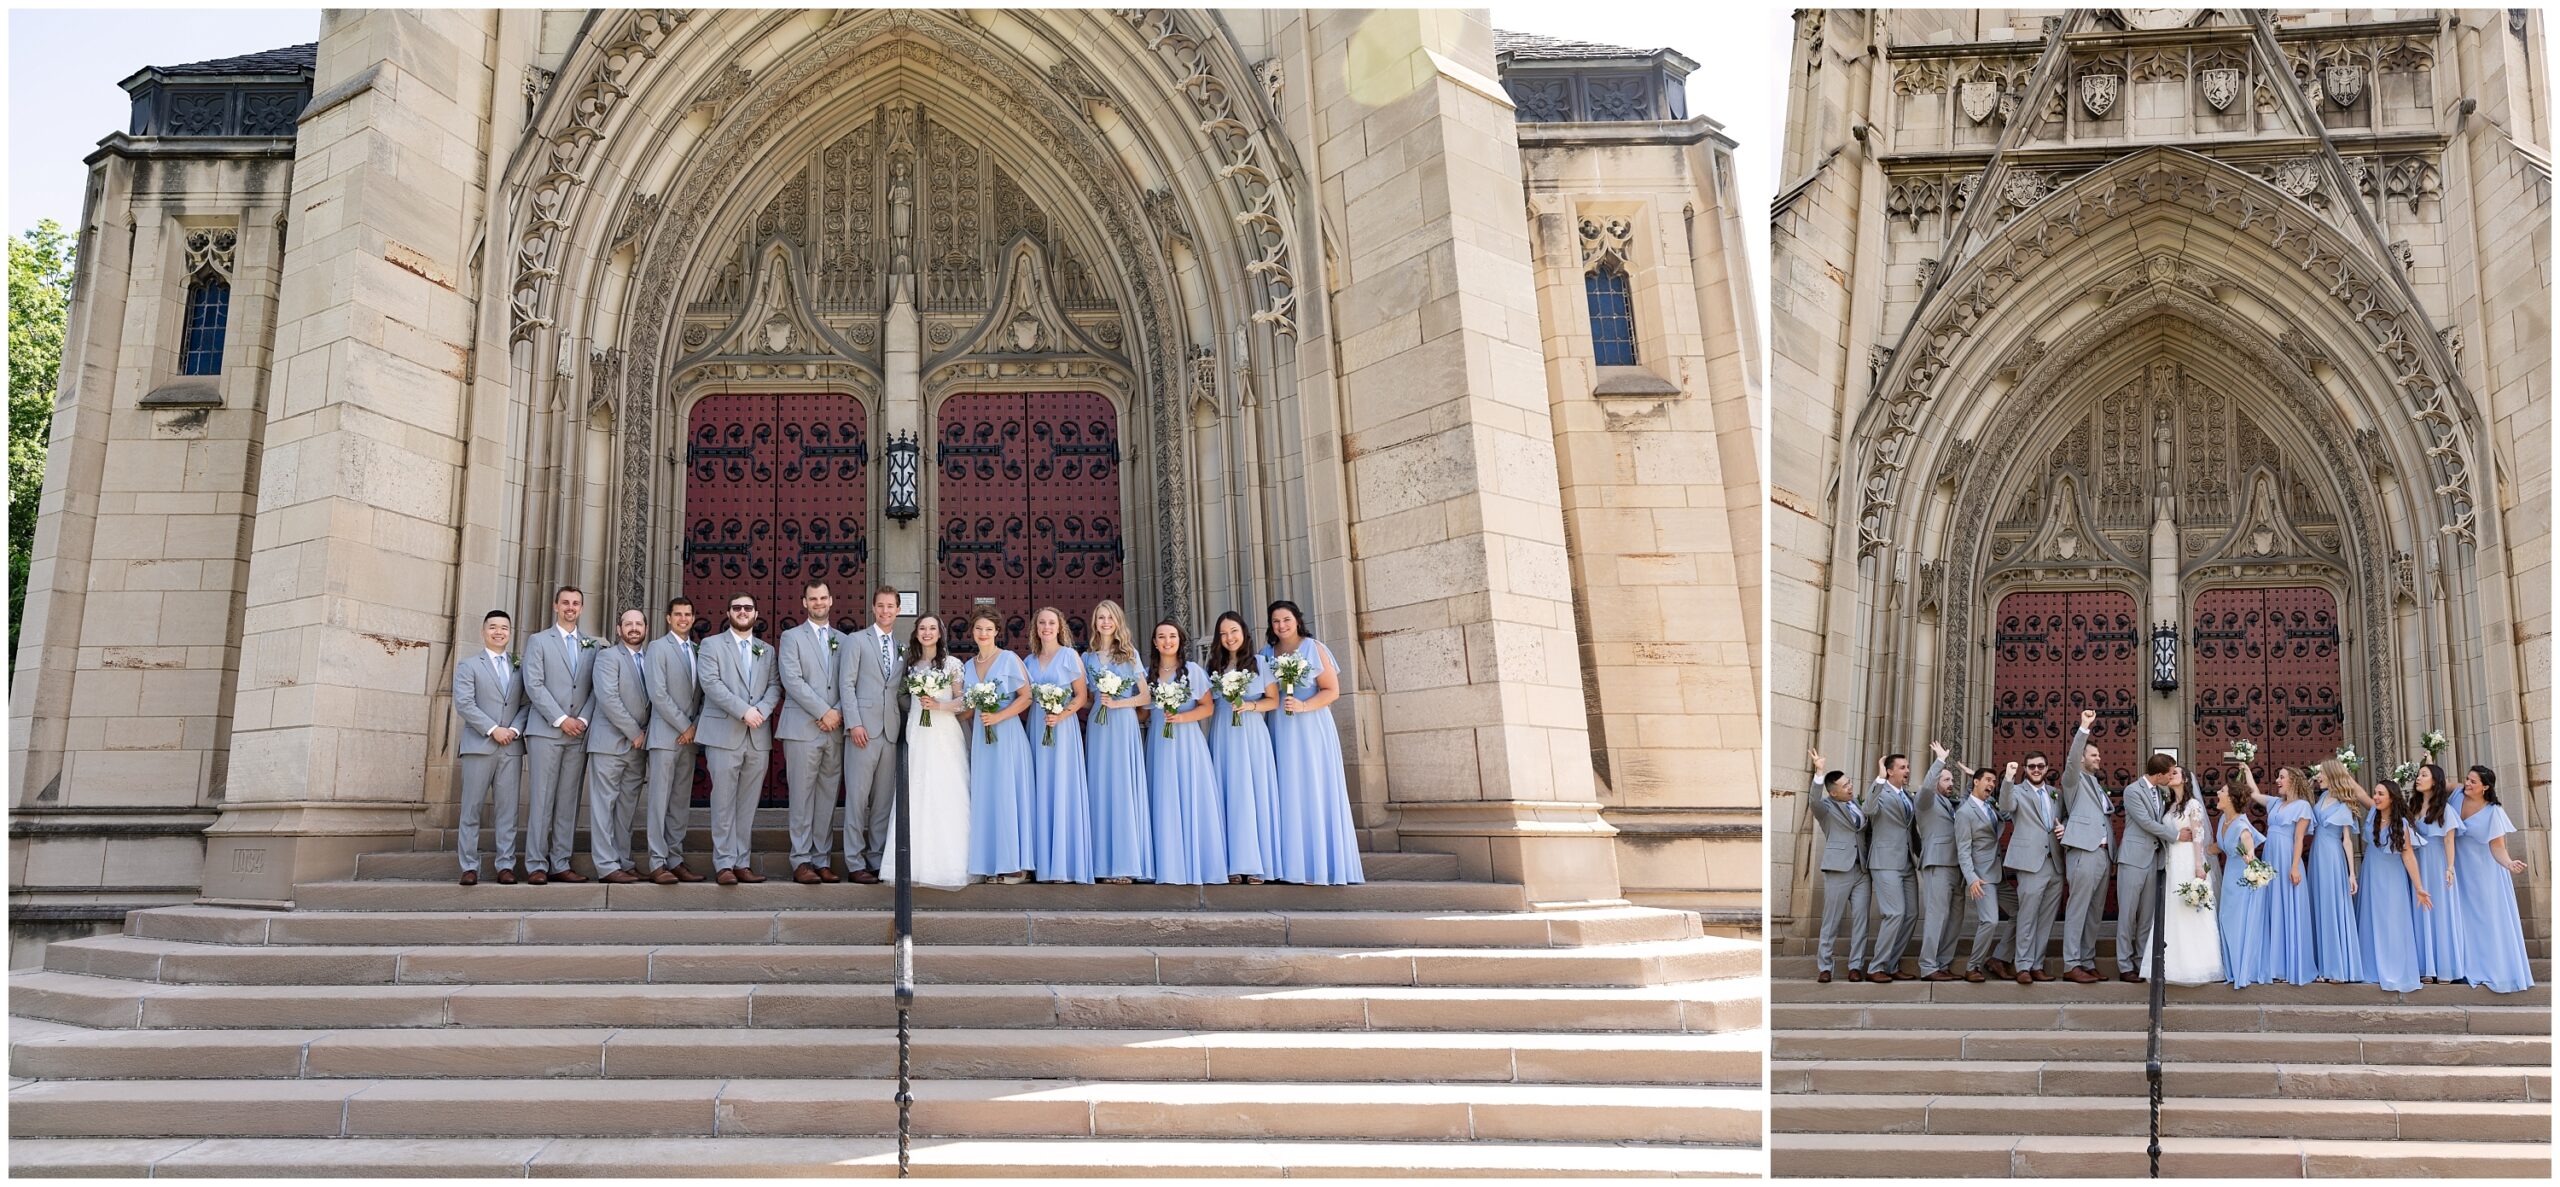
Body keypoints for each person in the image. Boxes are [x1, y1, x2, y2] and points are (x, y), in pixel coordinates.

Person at [1262, 600, 1363, 885]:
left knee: (1313, 788)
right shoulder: (1267, 653)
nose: (1281, 626)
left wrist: (1305, 707)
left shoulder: (1313, 648)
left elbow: (1332, 690)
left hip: (1311, 728)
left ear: (1297, 620)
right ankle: (1290, 865)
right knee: (1287, 789)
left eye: (1286, 620)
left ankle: (1319, 864)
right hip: (1280, 727)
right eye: (1276, 621)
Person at [695, 593, 780, 885]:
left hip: (757, 736)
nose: (742, 612)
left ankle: (742, 861)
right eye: (737, 608)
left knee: (747, 803)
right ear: (728, 612)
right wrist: (744, 711)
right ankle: (723, 863)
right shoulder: (711, 645)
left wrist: (761, 712)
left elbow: (774, 686)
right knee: (723, 800)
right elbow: (711, 684)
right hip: (724, 733)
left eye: (748, 608)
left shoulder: (766, 650)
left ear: (756, 614)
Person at [884, 615, 970, 891]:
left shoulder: (952, 664)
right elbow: (901, 696)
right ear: (916, 633)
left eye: (932, 628)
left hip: (944, 732)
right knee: (917, 792)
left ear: (941, 633)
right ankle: (916, 863)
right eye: (923, 628)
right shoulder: (910, 665)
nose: (927, 632)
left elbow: (962, 701)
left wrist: (938, 705)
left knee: (946, 790)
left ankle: (950, 863)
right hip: (918, 733)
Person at [522, 585, 598, 885]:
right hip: (546, 731)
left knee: (568, 801)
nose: (570, 607)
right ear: (556, 606)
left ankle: (560, 862)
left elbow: (596, 688)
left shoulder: (592, 645)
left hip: (578, 732)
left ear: (581, 608)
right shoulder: (539, 641)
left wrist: (581, 719)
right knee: (542, 798)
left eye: (576, 603)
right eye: (565, 602)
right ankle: (536, 864)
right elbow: (534, 684)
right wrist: (559, 719)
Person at [1145, 619, 1227, 885]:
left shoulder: (1192, 671)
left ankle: (1197, 862)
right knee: (1164, 797)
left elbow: (1207, 707)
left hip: (1188, 742)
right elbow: (1144, 712)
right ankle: (1168, 864)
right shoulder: (1149, 675)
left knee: (1189, 795)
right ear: (1155, 643)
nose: (1167, 641)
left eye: (1172, 636)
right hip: (1159, 742)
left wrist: (1182, 718)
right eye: (1161, 637)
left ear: (1180, 640)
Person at [450, 610, 530, 885]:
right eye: (493, 627)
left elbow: (526, 704)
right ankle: (469, 866)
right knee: (471, 808)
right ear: (484, 631)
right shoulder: (469, 665)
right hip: (479, 746)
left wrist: (515, 730)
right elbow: (464, 703)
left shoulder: (520, 666)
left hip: (511, 747)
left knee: (507, 811)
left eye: (504, 628)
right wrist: (494, 729)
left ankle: (505, 865)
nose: (499, 632)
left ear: (510, 632)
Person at [777, 581, 847, 884]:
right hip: (803, 728)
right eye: (812, 598)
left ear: (831, 600)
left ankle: (822, 859)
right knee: (803, 797)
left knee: (827, 797)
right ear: (804, 603)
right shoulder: (791, 637)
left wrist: (839, 712)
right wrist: (824, 712)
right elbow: (792, 680)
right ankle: (801, 859)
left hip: (834, 729)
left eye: (823, 597)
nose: (818, 603)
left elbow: (851, 681)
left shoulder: (844, 640)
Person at [1204, 611, 1280, 885]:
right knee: (1229, 793)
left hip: (1251, 734)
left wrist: (1249, 706)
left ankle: (1257, 864)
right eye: (1223, 634)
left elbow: (1273, 701)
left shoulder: (1260, 662)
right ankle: (1232, 863)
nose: (1229, 638)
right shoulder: (1214, 664)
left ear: (1243, 632)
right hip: (1224, 733)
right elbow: (1208, 704)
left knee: (1253, 792)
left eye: (1233, 631)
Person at [961, 610, 1037, 884]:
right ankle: (993, 862)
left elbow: (1027, 697)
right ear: (972, 632)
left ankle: (1016, 864)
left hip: (1007, 736)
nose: (983, 634)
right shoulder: (968, 666)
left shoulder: (1008, 659)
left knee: (1007, 795)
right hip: (983, 739)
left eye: (989, 629)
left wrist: (999, 716)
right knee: (987, 796)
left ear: (997, 632)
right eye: (979, 629)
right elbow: (968, 709)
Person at [1023, 606, 1095, 884]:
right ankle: (1041, 863)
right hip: (1038, 729)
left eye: (1051, 622)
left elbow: (1081, 696)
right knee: (1040, 788)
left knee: (1062, 788)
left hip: (1062, 730)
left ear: (1060, 626)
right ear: (1036, 628)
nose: (1046, 627)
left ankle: (1064, 864)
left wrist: (1061, 715)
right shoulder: (1029, 661)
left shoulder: (1069, 656)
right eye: (1041, 623)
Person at [1083, 599, 1152, 884]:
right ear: (1095, 623)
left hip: (1123, 725)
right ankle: (1102, 864)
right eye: (1101, 618)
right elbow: (1087, 697)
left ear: (1118, 621)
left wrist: (1121, 704)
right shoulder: (1087, 658)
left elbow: (1146, 697)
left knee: (1122, 787)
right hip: (1099, 727)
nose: (1105, 622)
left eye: (1110, 617)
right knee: (1100, 788)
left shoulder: (1129, 654)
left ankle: (1125, 864)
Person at [839, 586, 906, 883]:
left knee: (882, 802)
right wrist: (854, 723)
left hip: (890, 732)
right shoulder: (856, 641)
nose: (886, 611)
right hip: (862, 731)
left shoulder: (902, 647)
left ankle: (876, 859)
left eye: (891, 606)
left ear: (898, 610)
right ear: (873, 608)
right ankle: (854, 862)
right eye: (881, 606)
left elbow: (901, 692)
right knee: (856, 798)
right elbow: (846, 684)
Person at [582, 608, 654, 884]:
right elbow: (608, 698)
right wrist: (635, 732)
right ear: (618, 629)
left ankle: (623, 860)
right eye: (628, 624)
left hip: (638, 747)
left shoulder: (650, 660)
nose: (634, 628)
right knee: (604, 806)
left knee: (626, 807)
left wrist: (645, 735)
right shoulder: (608, 657)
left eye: (639, 624)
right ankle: (606, 865)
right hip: (610, 743)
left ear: (646, 629)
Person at [2450, 765, 2533, 992]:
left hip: (2483, 873)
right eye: (2467, 779)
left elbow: (2497, 848)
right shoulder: (2456, 793)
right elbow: (2432, 784)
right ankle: (2463, 968)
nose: (2467, 784)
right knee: (2460, 918)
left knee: (2483, 920)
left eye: (2473, 782)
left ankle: (2488, 968)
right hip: (2457, 869)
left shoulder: (2493, 811)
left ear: (2485, 787)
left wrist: (2509, 864)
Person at [641, 598, 705, 883]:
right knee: (659, 800)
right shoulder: (657, 648)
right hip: (667, 736)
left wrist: (696, 727)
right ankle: (657, 861)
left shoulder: (697, 650)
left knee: (679, 802)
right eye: (678, 614)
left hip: (689, 740)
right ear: (668, 618)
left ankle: (675, 859)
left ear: (693, 618)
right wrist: (685, 726)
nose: (683, 619)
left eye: (688, 614)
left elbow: (703, 695)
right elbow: (658, 693)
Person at [2056, 709, 2114, 984]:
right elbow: (2070, 761)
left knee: (2094, 912)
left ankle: (2087, 961)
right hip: (2083, 852)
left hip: (2103, 853)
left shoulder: (2095, 783)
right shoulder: (2073, 780)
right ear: (2081, 758)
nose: (2098, 758)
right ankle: (2071, 963)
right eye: (2093, 755)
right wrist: (2084, 728)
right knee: (2078, 909)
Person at [2356, 777, 2429, 993]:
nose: (2376, 797)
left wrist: (2418, 887)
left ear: (2392, 798)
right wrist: (2340, 770)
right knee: (2370, 918)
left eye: (2381, 794)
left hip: (2392, 878)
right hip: (2371, 873)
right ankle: (2371, 969)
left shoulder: (2402, 824)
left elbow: (2408, 856)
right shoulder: (2372, 815)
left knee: (2392, 921)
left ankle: (2395, 970)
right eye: (2375, 793)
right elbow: (2359, 792)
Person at [1802, 751, 1870, 984]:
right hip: (1839, 869)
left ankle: (1855, 965)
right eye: (1845, 785)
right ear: (1833, 792)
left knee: (1861, 919)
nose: (1850, 787)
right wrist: (1819, 772)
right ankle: (1825, 966)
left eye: (1850, 782)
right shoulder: (1826, 808)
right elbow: (1813, 800)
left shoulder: (1858, 806)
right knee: (1831, 919)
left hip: (1861, 869)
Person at [2114, 754, 2182, 983]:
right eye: (2170, 773)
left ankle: (2142, 961)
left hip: (2154, 859)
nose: (2172, 776)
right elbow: (2145, 822)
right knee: (2128, 915)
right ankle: (2124, 966)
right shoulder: (2132, 791)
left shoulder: (2162, 792)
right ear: (2159, 774)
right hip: (2133, 859)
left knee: (2146, 917)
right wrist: (2177, 835)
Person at [2247, 764, 2317, 985]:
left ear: (2294, 781)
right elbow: (2254, 794)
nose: (2277, 780)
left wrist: (2295, 867)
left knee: (2288, 906)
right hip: (2270, 857)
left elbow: (2299, 839)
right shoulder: (2275, 803)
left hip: (2287, 858)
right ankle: (2273, 964)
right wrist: (2246, 769)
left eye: (2282, 777)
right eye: (2278, 777)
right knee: (2272, 905)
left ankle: (2289, 964)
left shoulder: (2303, 807)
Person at [2001, 753, 2065, 983]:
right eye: (2031, 766)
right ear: (2025, 769)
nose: (2036, 770)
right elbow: (2006, 805)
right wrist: (2008, 777)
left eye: (2040, 766)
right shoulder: (2017, 791)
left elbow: (2063, 818)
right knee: (2027, 917)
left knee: (2046, 918)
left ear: (2047, 768)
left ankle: (2037, 964)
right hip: (2029, 862)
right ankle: (2023, 966)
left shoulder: (2055, 794)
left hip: (2055, 862)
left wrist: (2064, 828)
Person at [2156, 771, 2222, 986]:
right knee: (2173, 908)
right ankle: (2172, 962)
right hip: (2172, 861)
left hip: (2188, 860)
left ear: (2185, 779)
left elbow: (2199, 835)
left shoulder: (2193, 804)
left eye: (2175, 773)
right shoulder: (2169, 805)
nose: (2171, 775)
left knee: (2190, 908)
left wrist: (2198, 866)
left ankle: (2199, 965)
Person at [2307, 760, 2370, 984]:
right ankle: (2322, 964)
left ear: (2332, 775)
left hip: (2333, 857)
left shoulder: (2344, 804)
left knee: (2332, 907)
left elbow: (2347, 841)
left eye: (2321, 773)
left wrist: (2351, 873)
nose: (2318, 777)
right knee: (2320, 906)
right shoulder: (2322, 798)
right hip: (2317, 854)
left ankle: (2336, 968)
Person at [1912, 743, 1970, 982]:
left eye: (1951, 780)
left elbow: (1969, 806)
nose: (1950, 783)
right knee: (1937, 916)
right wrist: (1940, 762)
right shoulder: (1925, 802)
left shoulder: (1952, 804)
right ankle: (1928, 966)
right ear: (1936, 780)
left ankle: (1943, 963)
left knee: (1955, 918)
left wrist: (1972, 780)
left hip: (1958, 867)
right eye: (1946, 780)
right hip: (1937, 864)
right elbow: (1926, 787)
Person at [1861, 752, 1917, 982]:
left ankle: (1892, 964)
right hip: (1885, 862)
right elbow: (1868, 809)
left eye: (1908, 767)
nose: (1907, 771)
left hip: (1906, 862)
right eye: (1902, 767)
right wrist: (1879, 779)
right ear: (1890, 770)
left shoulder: (1908, 796)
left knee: (1911, 914)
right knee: (1894, 913)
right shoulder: (1880, 792)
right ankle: (1876, 966)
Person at [2409, 763, 2465, 983]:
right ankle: (2426, 967)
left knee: (2440, 913)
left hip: (2437, 863)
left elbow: (2449, 840)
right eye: (2418, 775)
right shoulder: (2413, 808)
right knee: (2420, 913)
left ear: (2435, 781)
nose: (2418, 778)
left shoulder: (2445, 809)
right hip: (2418, 863)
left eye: (2424, 775)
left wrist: (2450, 867)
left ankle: (2444, 968)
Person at [2214, 774, 2270, 989]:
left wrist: (2250, 858)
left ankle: (2241, 969)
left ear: (2231, 799)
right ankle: (2231, 966)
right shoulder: (2223, 820)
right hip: (2229, 878)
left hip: (2241, 881)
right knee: (2226, 919)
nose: (2218, 794)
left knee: (2236, 923)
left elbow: (2251, 857)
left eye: (2222, 792)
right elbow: (2218, 846)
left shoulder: (2243, 827)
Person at [1952, 765, 2006, 983]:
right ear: (1976, 782)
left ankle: (2000, 957)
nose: (1991, 785)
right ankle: (1972, 966)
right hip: (1982, 876)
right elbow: (1963, 849)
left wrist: (1972, 774)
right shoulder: (1964, 812)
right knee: (1990, 921)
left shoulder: (1990, 805)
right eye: (1987, 780)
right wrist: (1972, 878)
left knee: (2021, 913)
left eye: (1994, 781)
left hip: (1998, 872)